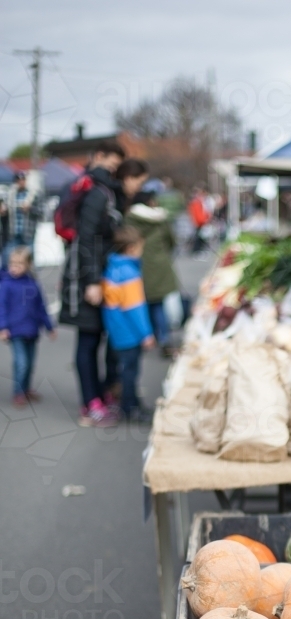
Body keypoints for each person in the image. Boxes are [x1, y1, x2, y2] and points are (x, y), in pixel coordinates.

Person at [59, 138, 126, 428]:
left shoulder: (102, 189)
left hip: (93, 275)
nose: (114, 166)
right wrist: (92, 281)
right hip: (86, 278)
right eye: (111, 159)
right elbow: (86, 238)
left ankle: (97, 396)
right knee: (88, 340)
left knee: (95, 338)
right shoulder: (96, 191)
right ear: (99, 156)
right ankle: (90, 405)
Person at [101, 225, 155, 421]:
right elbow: (135, 309)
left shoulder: (112, 268)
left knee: (124, 370)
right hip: (130, 332)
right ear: (131, 248)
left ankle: (128, 404)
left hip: (117, 330)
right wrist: (146, 334)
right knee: (131, 372)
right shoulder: (129, 273)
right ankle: (130, 408)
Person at [0, 247, 55, 407]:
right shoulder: (6, 285)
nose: (15, 267)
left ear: (28, 265)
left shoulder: (33, 284)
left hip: (31, 329)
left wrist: (49, 326)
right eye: (12, 263)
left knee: (30, 363)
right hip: (15, 330)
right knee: (21, 362)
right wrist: (3, 327)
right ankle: (18, 392)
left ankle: (26, 388)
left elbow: (41, 306)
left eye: (19, 264)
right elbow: (1, 307)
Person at [127, 191, 179, 355]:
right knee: (158, 304)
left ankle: (146, 337)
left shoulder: (129, 218)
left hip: (137, 265)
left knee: (140, 303)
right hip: (159, 265)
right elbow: (172, 241)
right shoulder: (160, 219)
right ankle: (163, 338)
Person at [4, 172, 42, 266]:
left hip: (28, 232)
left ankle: (31, 279)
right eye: (19, 180)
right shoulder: (10, 195)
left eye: (23, 180)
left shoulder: (33, 194)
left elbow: (41, 212)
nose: (21, 182)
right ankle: (9, 279)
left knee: (29, 259)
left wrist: (30, 208)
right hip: (14, 232)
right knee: (8, 257)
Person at [188, 186, 211, 254]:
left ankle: (198, 249)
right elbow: (198, 214)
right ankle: (196, 250)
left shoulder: (199, 201)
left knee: (200, 237)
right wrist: (203, 220)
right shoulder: (196, 202)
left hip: (200, 222)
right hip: (199, 222)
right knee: (198, 237)